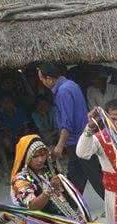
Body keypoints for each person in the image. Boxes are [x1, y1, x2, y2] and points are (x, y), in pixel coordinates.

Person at [37, 63, 104, 198]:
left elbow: (66, 123)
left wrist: (59, 146)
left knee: (94, 176)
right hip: (82, 136)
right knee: (76, 175)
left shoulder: (62, 92)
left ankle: (113, 204)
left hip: (77, 140)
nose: (42, 83)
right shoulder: (71, 84)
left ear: (49, 79)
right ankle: (74, 205)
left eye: (42, 80)